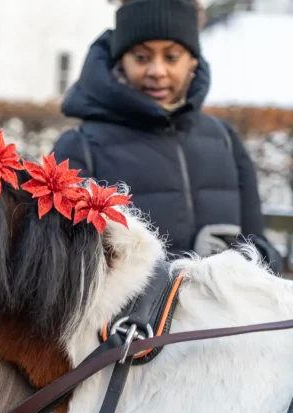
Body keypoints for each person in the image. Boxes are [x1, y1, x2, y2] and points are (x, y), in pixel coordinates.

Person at [52, 0, 283, 274]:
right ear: (120, 60)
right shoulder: (80, 146)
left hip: (229, 317)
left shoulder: (225, 140)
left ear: (193, 61)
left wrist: (241, 256)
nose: (157, 71)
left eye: (171, 57)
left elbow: (263, 254)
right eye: (141, 57)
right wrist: (190, 265)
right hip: (132, 319)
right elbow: (65, 268)